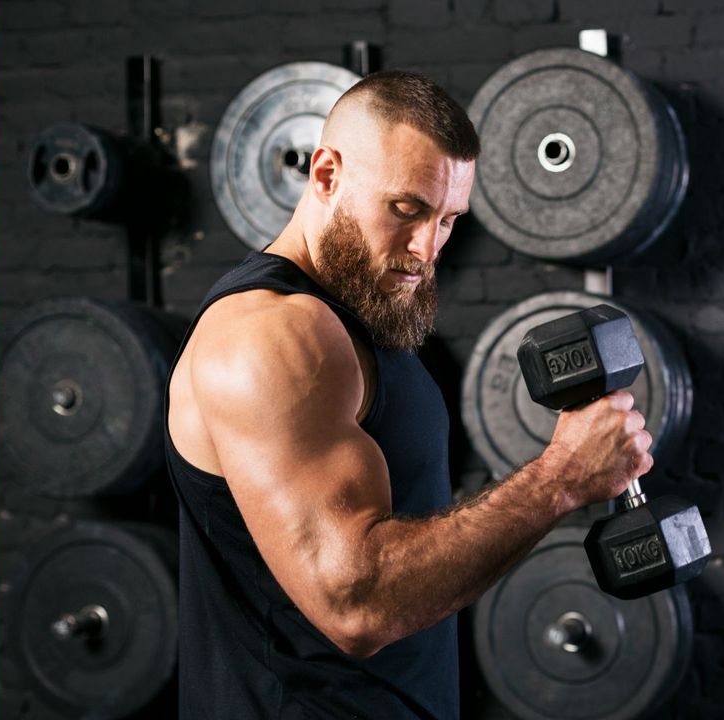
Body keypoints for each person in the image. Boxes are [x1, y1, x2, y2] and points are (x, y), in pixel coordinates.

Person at [164, 70, 653, 720]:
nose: (427, 249)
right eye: (407, 209)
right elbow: (355, 605)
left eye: (448, 219)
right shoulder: (272, 337)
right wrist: (559, 479)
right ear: (327, 175)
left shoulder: (356, 318)